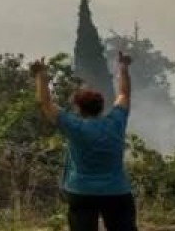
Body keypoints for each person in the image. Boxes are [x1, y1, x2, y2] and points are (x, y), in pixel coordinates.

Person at [31, 52, 138, 231]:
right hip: (116, 190)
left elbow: (46, 103)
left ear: (79, 108)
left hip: (81, 191)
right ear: (102, 106)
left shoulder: (74, 126)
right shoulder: (115, 122)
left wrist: (41, 75)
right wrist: (123, 67)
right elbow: (124, 94)